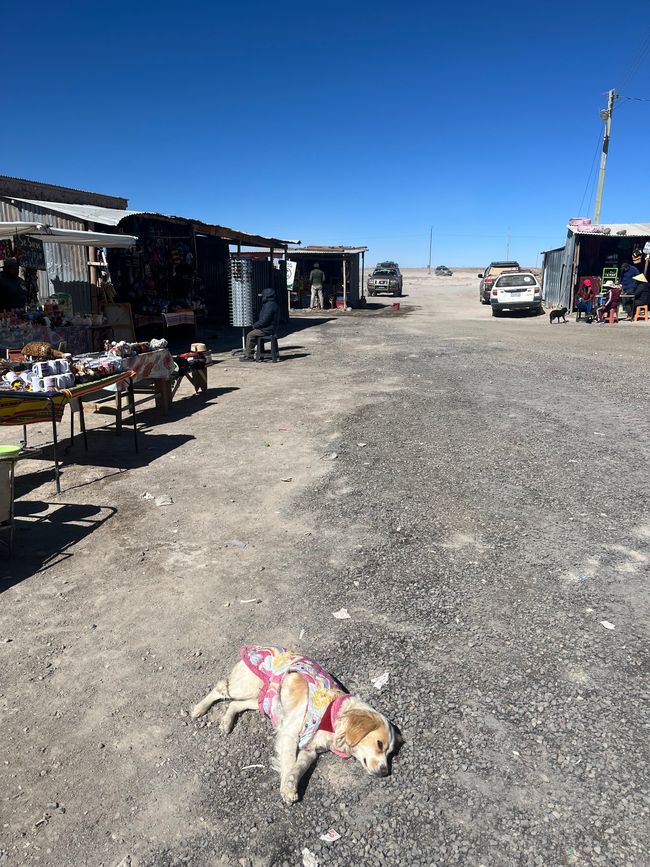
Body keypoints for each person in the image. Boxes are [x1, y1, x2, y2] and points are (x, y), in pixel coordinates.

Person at [240, 287, 280, 362]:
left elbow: (264, 320)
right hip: (271, 328)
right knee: (253, 333)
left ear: (266, 296)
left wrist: (255, 325)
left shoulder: (269, 305)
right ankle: (254, 353)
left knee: (250, 335)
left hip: (267, 329)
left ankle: (249, 356)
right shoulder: (272, 304)